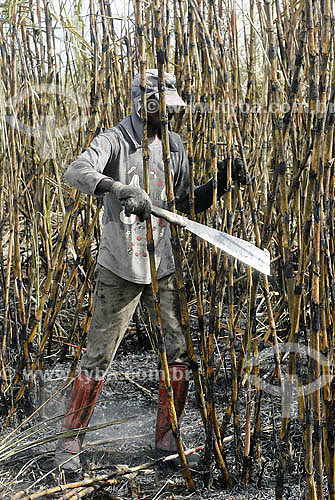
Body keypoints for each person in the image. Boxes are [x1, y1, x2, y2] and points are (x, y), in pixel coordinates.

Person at [56, 69, 246, 472]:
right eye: (165, 110)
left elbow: (181, 205)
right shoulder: (115, 140)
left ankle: (166, 439)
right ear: (147, 105)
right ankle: (69, 443)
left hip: (162, 265)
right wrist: (119, 188)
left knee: (176, 353)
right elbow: (76, 171)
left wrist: (217, 184)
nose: (171, 118)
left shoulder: (174, 145)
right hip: (121, 265)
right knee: (99, 356)